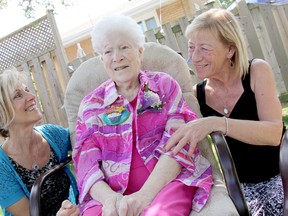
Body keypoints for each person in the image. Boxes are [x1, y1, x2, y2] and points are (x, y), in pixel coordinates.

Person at [72, 14, 213, 216]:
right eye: (108, 51)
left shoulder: (163, 86)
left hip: (167, 184)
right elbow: (85, 164)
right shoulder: (91, 105)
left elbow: (179, 144)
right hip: (111, 193)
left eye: (124, 47)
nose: (116, 57)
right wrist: (111, 200)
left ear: (139, 52)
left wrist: (144, 196)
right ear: (102, 59)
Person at [165, 8, 285, 215]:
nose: (194, 57)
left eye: (204, 48)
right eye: (191, 48)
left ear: (230, 49)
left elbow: (274, 134)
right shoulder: (197, 96)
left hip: (282, 172)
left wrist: (216, 123)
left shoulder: (256, 71)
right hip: (243, 188)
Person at [0, 68, 79, 216]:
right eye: (18, 95)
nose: (31, 96)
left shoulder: (52, 136)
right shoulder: (1, 167)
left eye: (27, 90)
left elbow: (82, 136)